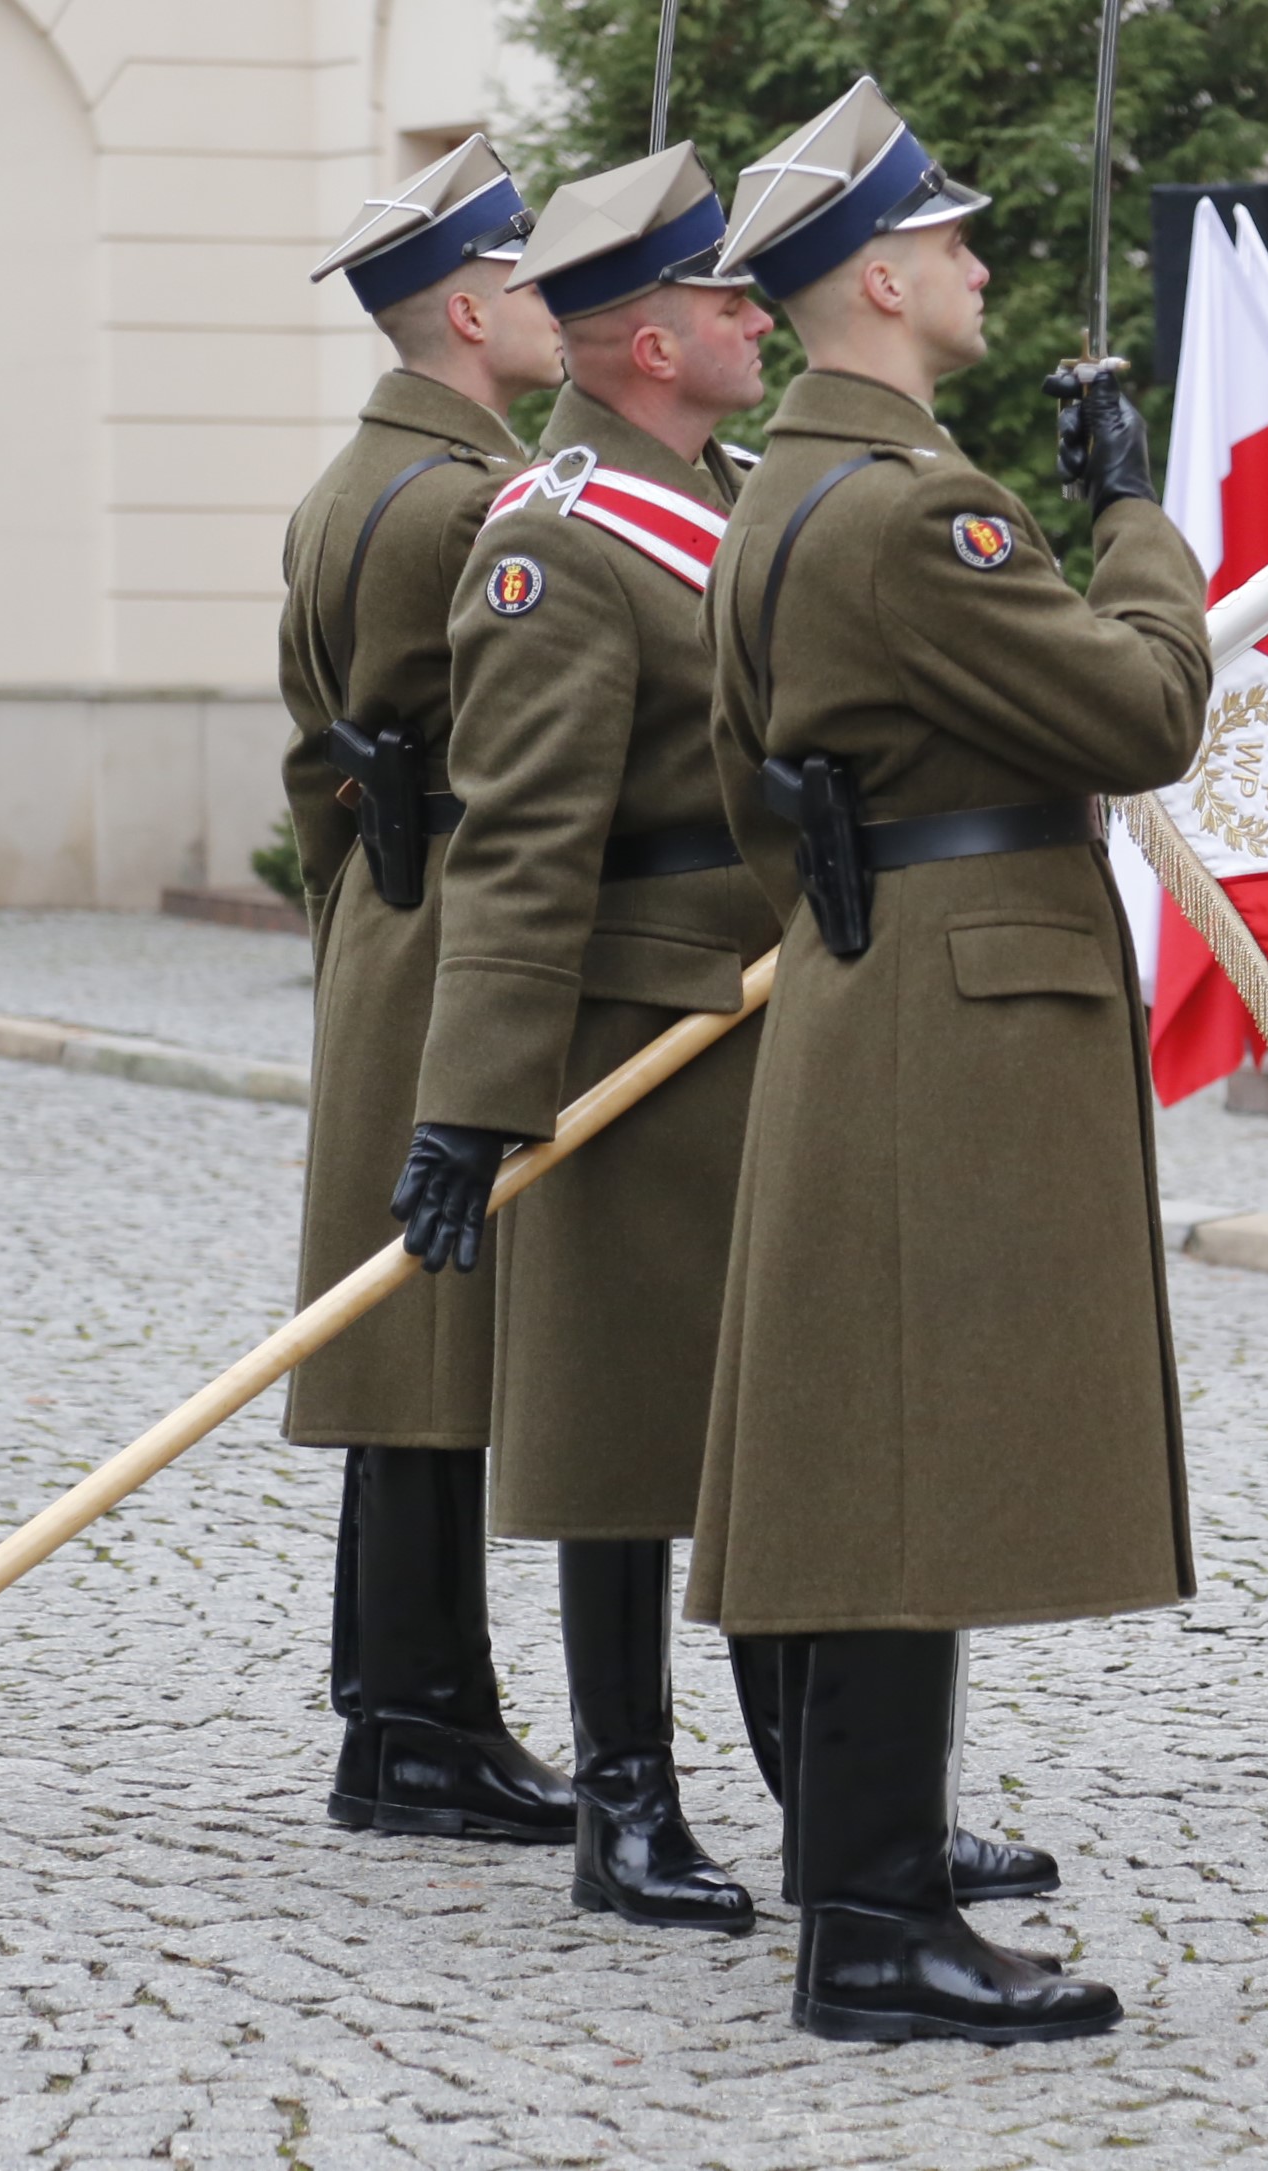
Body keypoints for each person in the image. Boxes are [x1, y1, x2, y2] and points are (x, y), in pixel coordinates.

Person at [693, 77, 1210, 2043]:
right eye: (953, 242)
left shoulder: (779, 493)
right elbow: (1143, 711)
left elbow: (751, 792)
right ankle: (877, 1927)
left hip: (865, 978)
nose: (982, 264)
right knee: (910, 1467)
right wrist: (1133, 516)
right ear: (883, 281)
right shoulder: (921, 510)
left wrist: (860, 907)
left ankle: (869, 1891)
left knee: (867, 1448)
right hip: (955, 1007)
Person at [382, 144, 784, 1934]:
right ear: (646, 344)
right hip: (634, 1032)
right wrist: (474, 1101)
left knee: (790, 1417)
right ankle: (627, 1802)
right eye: (723, 298)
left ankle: (839, 1795)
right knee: (622, 1437)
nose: (758, 315)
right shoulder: (552, 539)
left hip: (777, 1011)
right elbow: (524, 843)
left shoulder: (742, 493)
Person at [279, 135, 576, 1852]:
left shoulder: (347, 485)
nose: (554, 304)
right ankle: (417, 1724)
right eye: (529, 276)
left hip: (389, 914)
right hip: (469, 915)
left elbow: (309, 761)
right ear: (468, 310)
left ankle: (402, 1704)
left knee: (405, 1326)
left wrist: (365, 900)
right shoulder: (480, 504)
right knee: (434, 1332)